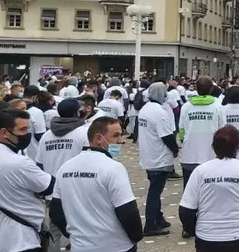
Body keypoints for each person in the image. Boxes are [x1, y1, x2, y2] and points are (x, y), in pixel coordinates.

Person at [49, 117, 142, 252]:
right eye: (116, 135)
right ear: (99, 138)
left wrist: (75, 235)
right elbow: (128, 211)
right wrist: (136, 237)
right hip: (116, 246)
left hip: (80, 246)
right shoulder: (113, 168)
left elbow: (56, 212)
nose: (120, 141)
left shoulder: (65, 168)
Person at [179, 125, 239, 252]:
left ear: (213, 146)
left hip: (208, 240)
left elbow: (185, 210)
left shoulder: (200, 172)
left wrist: (196, 230)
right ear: (238, 147)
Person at [0, 109, 56, 252]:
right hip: (21, 240)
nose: (27, 134)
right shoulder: (19, 163)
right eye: (22, 130)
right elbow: (49, 185)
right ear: (4, 133)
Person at [34, 99, 91, 252]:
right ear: (76, 113)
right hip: (78, 191)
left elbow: (39, 165)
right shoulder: (84, 133)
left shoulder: (47, 136)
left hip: (53, 192)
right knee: (82, 230)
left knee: (54, 231)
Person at [137, 82, 178, 236]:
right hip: (159, 158)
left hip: (148, 156)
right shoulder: (159, 112)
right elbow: (166, 135)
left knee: (156, 189)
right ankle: (149, 225)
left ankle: (158, 218)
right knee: (155, 192)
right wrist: (175, 149)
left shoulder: (145, 109)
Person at [179, 76, 227, 187]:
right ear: (211, 89)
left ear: (196, 88)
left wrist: (185, 141)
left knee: (189, 191)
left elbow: (181, 130)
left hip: (189, 155)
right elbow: (223, 132)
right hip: (211, 156)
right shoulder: (218, 107)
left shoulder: (186, 107)